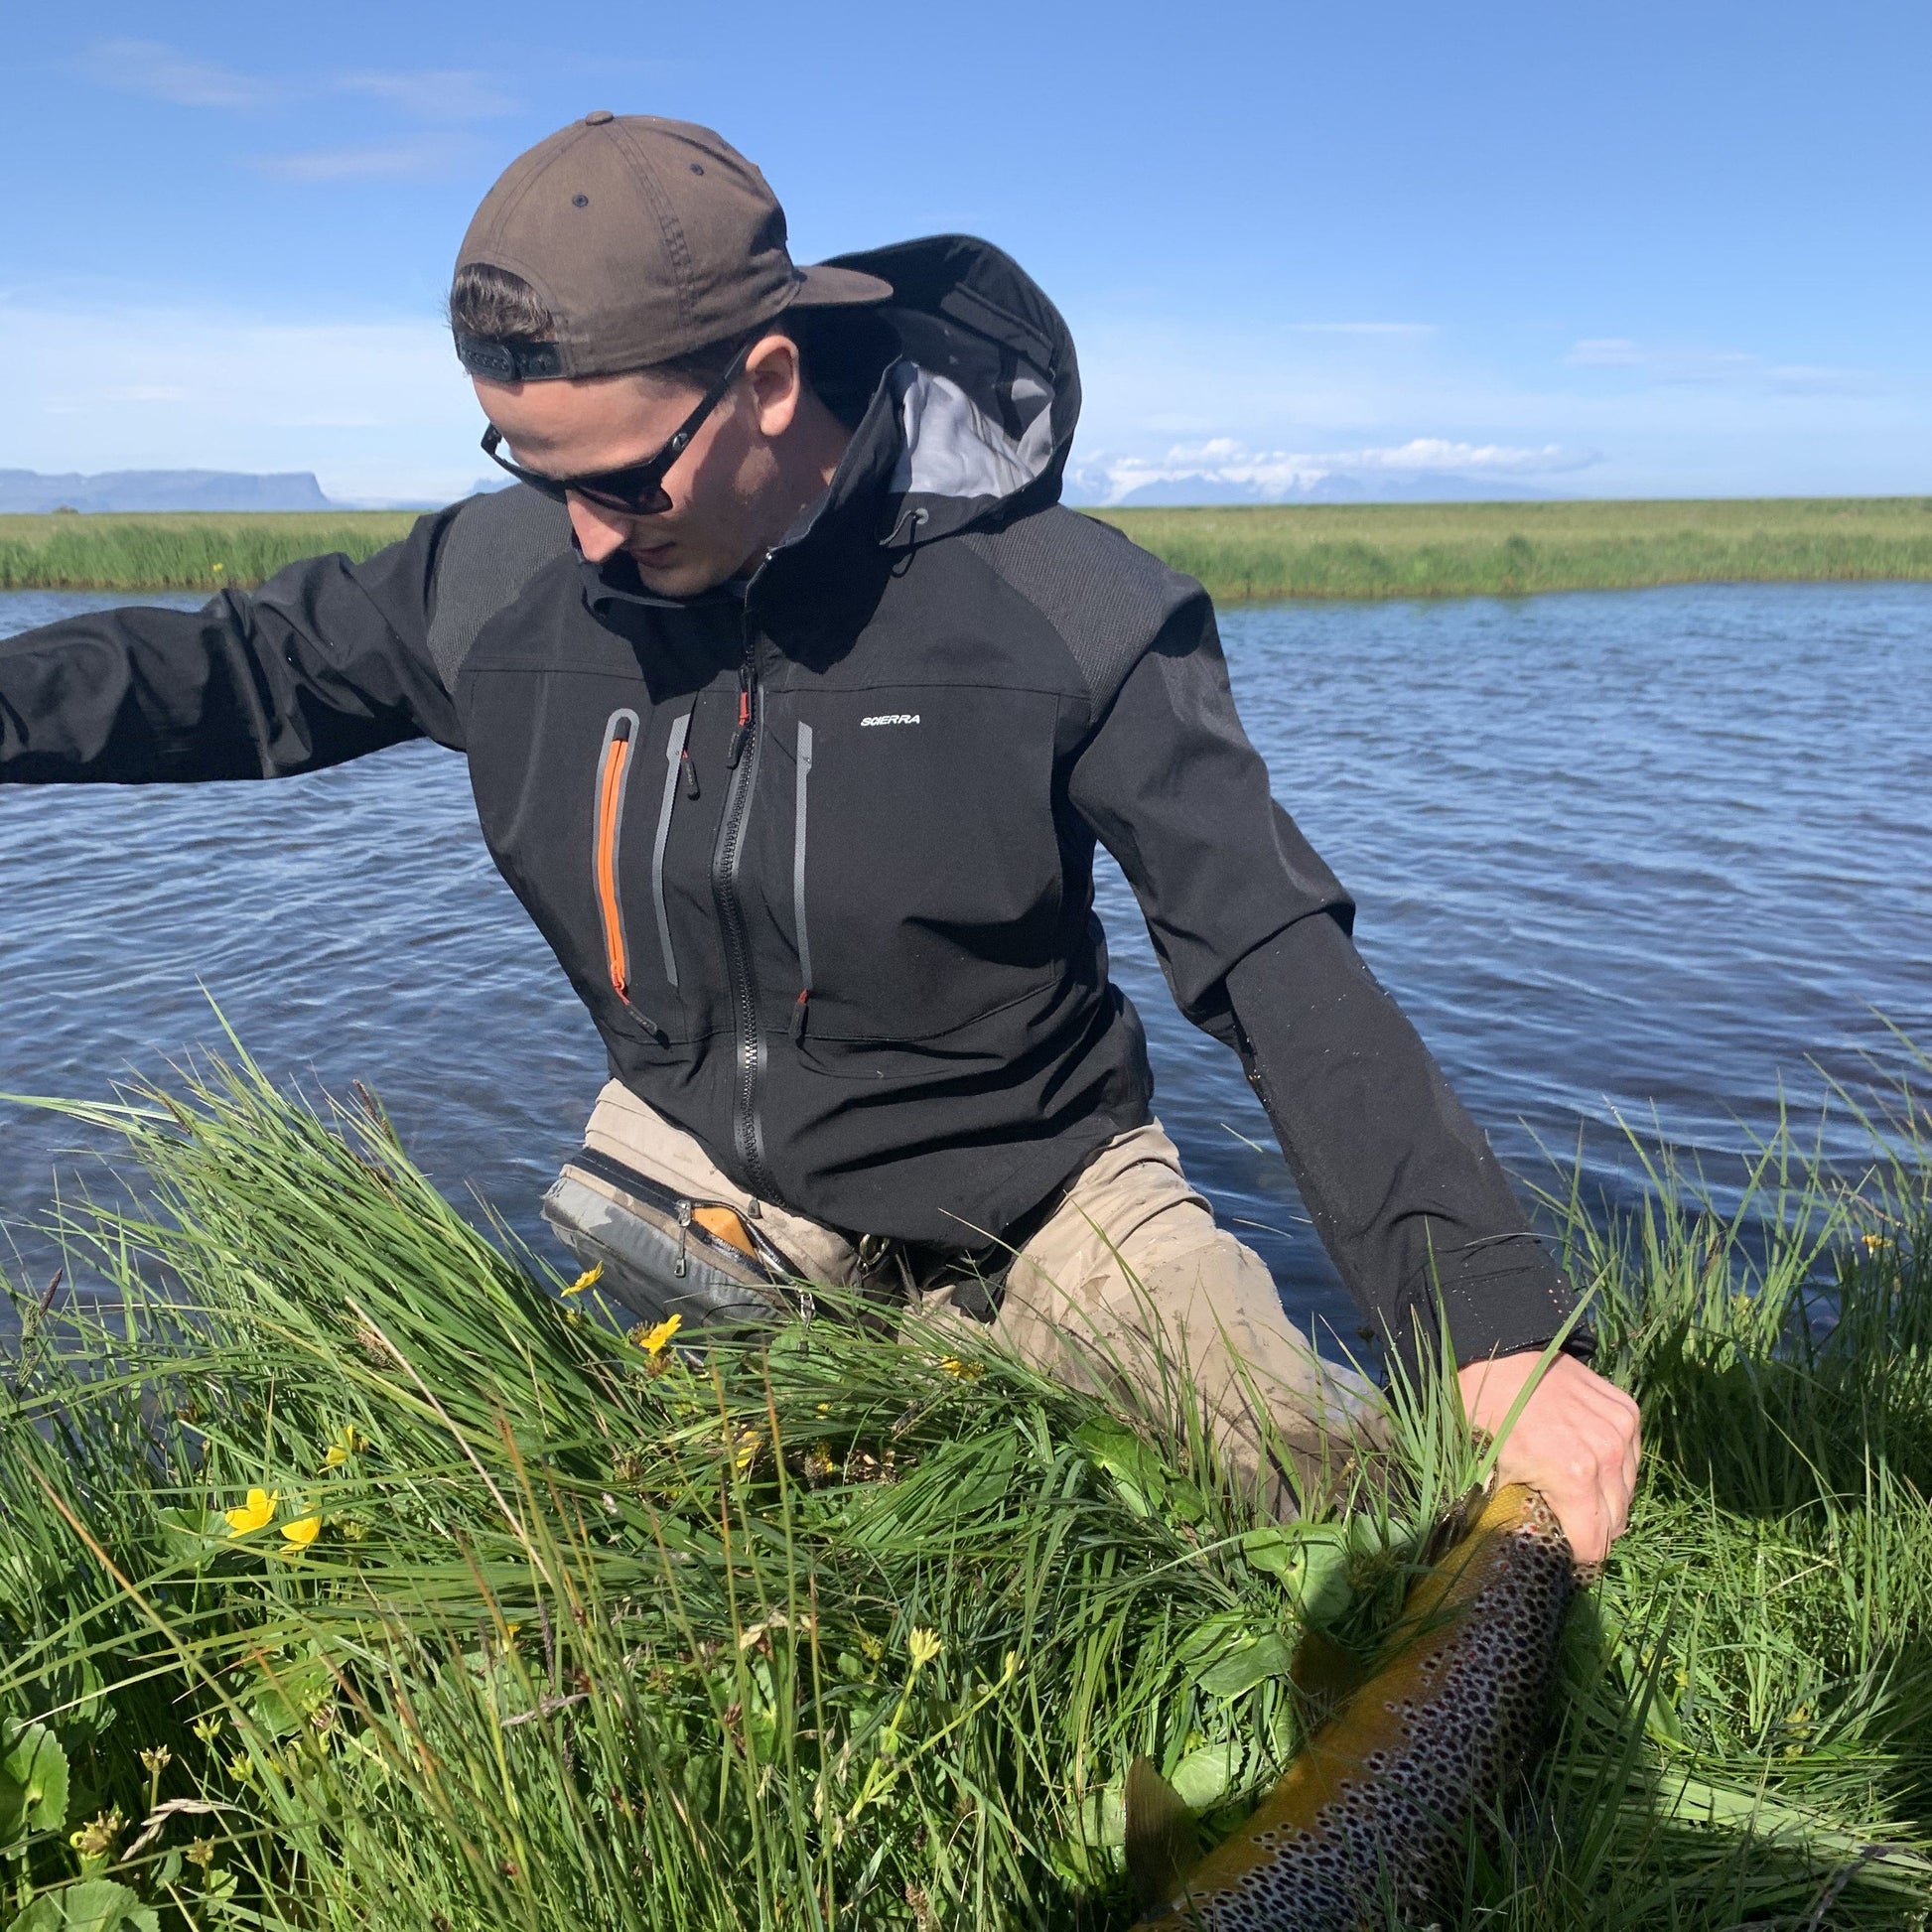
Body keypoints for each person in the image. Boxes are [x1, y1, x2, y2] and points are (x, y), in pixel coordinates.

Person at [0, 114, 1638, 1558]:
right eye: (526, 465)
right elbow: (227, 671)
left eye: (624, 479)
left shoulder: (1064, 611)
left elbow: (1268, 948)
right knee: (599, 1550)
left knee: (1357, 1528)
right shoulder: (502, 578)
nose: (581, 536)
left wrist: (1485, 1317)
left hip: (1046, 1196)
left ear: (768, 384)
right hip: (706, 1173)